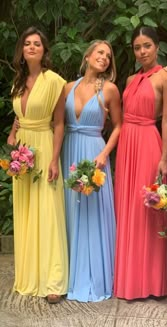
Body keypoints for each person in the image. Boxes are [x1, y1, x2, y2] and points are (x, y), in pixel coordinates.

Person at [114, 26, 167, 299]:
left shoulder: (166, 78)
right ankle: (128, 278)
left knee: (147, 210)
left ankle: (150, 282)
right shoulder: (129, 79)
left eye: (147, 46)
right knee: (126, 206)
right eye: (138, 47)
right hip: (127, 143)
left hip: (149, 143)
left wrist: (164, 156)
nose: (142, 52)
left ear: (157, 46)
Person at [7, 26, 68, 304]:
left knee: (47, 211)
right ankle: (29, 273)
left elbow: (58, 123)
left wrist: (54, 158)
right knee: (27, 210)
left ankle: (53, 279)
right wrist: (12, 136)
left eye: (37, 44)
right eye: (27, 43)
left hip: (43, 147)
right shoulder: (17, 82)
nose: (32, 47)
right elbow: (19, 117)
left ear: (44, 50)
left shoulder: (55, 80)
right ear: (22, 50)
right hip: (21, 151)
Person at [61, 40, 122, 302]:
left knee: (93, 212)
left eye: (108, 56)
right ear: (87, 56)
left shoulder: (109, 90)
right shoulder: (67, 87)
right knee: (72, 210)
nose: (104, 58)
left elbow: (119, 126)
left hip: (95, 153)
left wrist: (104, 154)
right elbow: (56, 122)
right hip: (70, 152)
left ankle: (96, 277)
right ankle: (70, 275)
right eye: (100, 52)